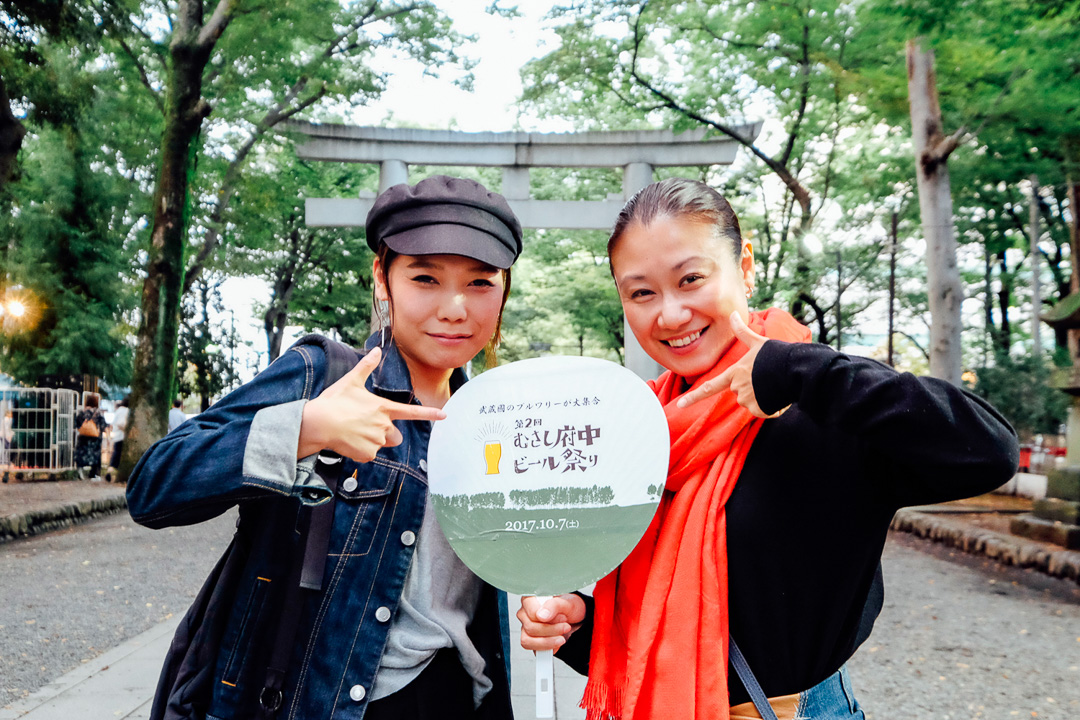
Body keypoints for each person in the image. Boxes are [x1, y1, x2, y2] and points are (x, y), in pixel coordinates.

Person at [517, 178, 1019, 720]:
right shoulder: (643, 428)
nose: (671, 315)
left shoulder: (823, 404)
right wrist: (579, 624)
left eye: (691, 279)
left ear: (745, 266)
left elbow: (991, 451)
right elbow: (659, 626)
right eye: (641, 293)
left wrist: (800, 371)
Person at [127, 175, 523, 720]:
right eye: (425, 278)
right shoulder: (322, 375)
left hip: (455, 695)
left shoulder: (492, 420)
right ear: (382, 278)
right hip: (326, 699)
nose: (455, 308)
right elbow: (153, 486)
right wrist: (306, 427)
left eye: (480, 283)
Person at [74, 393, 108, 481]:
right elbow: (103, 425)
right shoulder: (98, 412)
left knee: (81, 453)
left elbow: (77, 423)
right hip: (95, 438)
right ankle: (93, 473)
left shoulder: (83, 412)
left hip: (83, 437)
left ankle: (80, 470)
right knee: (95, 455)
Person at [109, 397, 129, 471]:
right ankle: (112, 470)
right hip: (122, 435)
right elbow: (121, 423)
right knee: (118, 454)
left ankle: (111, 470)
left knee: (116, 453)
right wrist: (126, 430)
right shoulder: (125, 410)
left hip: (117, 435)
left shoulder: (119, 410)